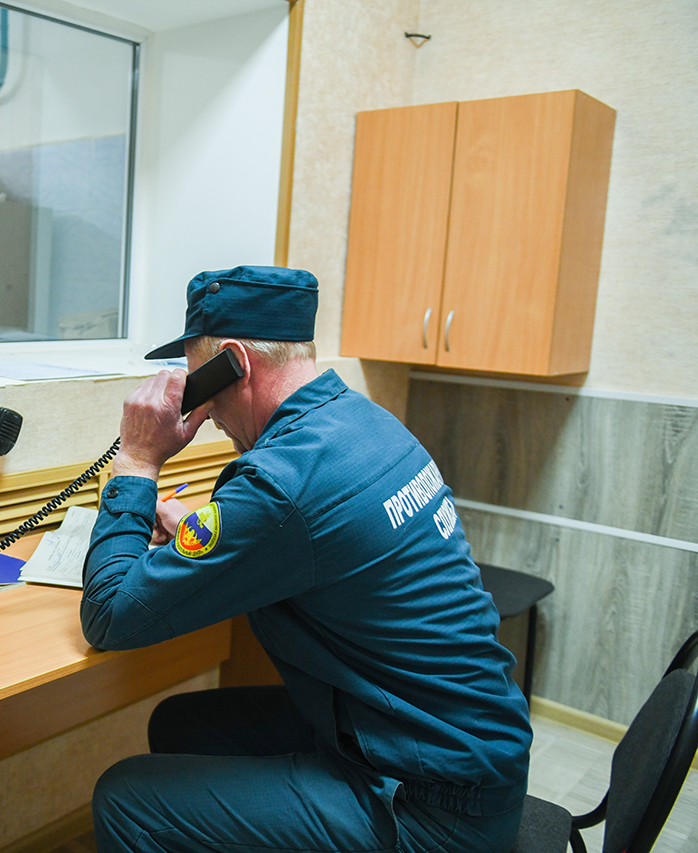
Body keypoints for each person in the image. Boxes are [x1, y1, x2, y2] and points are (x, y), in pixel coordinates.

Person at [80, 265, 531, 853]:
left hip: (434, 807)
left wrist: (138, 459)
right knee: (182, 724)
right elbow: (308, 528)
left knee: (125, 800)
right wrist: (212, 536)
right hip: (462, 746)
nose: (205, 410)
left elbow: (110, 615)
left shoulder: (281, 480)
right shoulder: (363, 422)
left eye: (201, 384)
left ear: (235, 364)